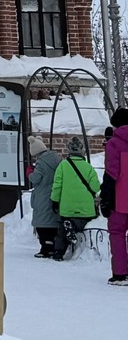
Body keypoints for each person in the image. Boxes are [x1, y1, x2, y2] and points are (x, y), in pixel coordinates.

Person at [50, 135, 101, 260]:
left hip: (66, 206)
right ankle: (73, 224)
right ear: (82, 150)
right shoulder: (88, 167)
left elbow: (57, 186)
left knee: (62, 227)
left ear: (69, 150)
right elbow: (95, 187)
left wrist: (55, 200)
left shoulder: (62, 166)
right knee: (83, 220)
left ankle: (58, 252)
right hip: (85, 206)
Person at [100, 107, 128, 287]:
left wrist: (105, 198)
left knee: (117, 234)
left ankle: (120, 274)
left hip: (121, 198)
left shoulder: (114, 144)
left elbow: (111, 174)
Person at [27, 135, 63, 258]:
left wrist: (30, 173)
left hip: (43, 195)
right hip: (55, 194)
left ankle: (46, 249)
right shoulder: (56, 159)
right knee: (52, 221)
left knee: (42, 223)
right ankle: (53, 246)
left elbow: (36, 178)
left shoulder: (41, 163)